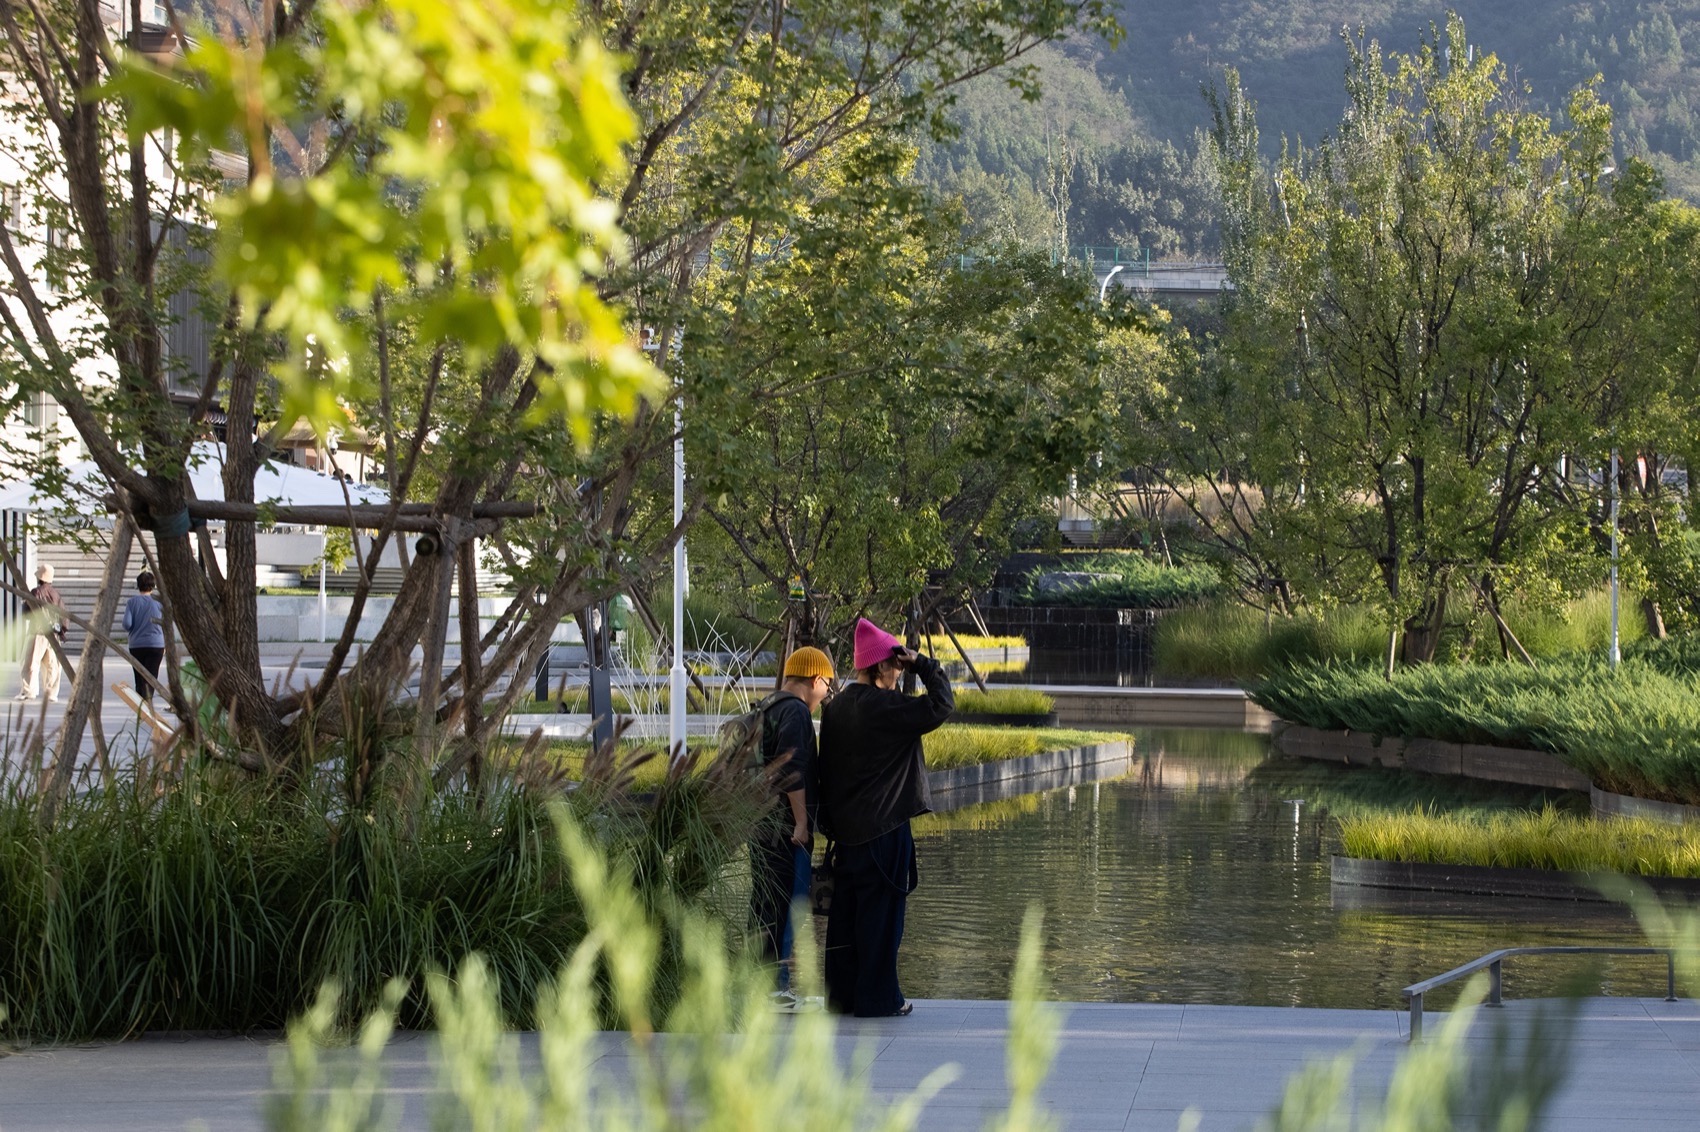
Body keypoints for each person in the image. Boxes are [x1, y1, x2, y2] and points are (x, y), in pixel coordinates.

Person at [817, 617, 954, 1017]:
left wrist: (829, 826)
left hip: (847, 834)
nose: (898, 672)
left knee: (846, 918)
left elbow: (827, 768)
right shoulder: (887, 707)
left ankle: (841, 998)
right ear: (880, 666)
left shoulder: (837, 708)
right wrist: (923, 664)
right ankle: (878, 1000)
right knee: (882, 917)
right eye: (894, 665)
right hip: (884, 829)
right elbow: (942, 704)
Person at [748, 644, 836, 1011]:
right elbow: (792, 770)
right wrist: (801, 822)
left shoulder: (766, 707)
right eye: (827, 686)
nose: (826, 694)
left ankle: (757, 986)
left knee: (764, 904)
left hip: (759, 825)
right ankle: (774, 990)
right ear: (815, 679)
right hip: (785, 829)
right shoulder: (797, 713)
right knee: (786, 907)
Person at [17, 563, 67, 702]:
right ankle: (51, 694)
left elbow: (26, 613)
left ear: (39, 578)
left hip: (37, 632)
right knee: (52, 665)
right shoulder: (56, 594)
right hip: (53, 634)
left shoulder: (35, 592)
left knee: (30, 662)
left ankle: (29, 691)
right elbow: (64, 615)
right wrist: (62, 631)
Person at [123, 572, 166, 703]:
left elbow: (127, 624)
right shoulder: (159, 603)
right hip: (156, 644)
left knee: (139, 676)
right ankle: (147, 702)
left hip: (136, 645)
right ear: (153, 585)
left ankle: (141, 703)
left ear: (138, 585)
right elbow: (166, 623)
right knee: (151, 676)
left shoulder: (132, 602)